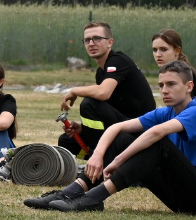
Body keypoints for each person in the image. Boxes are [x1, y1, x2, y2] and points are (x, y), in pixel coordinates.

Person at [27, 60, 196, 215]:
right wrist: (97, 155)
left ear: (189, 86)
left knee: (156, 144)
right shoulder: (166, 112)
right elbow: (116, 127)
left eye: (171, 84)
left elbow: (156, 134)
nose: (165, 90)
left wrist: (118, 160)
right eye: (161, 85)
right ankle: (71, 192)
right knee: (121, 138)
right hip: (178, 198)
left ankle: (93, 198)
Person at [57, 21, 156, 158]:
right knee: (66, 141)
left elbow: (103, 93)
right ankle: (92, 163)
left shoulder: (118, 60)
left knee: (89, 104)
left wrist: (74, 91)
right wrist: (83, 128)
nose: (91, 43)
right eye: (87, 40)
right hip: (122, 126)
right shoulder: (101, 72)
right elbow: (106, 110)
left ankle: (102, 160)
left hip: (139, 131)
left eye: (97, 38)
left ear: (110, 42)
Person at [151, 29, 196, 102]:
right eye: (155, 50)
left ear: (177, 51)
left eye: (163, 49)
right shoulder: (176, 70)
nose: (158, 54)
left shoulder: (184, 73)